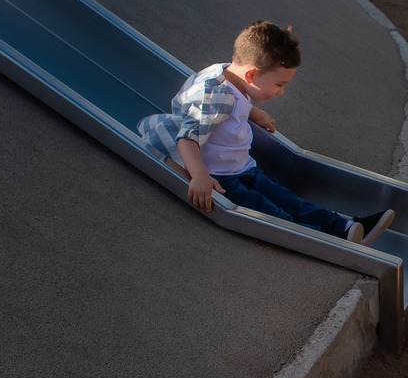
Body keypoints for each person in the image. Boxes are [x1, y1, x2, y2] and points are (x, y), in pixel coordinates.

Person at [138, 20, 393, 245]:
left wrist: (253, 112)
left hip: (243, 169)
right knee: (270, 212)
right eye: (279, 84)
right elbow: (187, 138)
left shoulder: (228, 74)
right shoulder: (216, 97)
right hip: (221, 180)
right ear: (251, 74)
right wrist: (200, 176)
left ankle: (344, 227)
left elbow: (233, 98)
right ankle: (325, 239)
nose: (281, 91)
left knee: (288, 200)